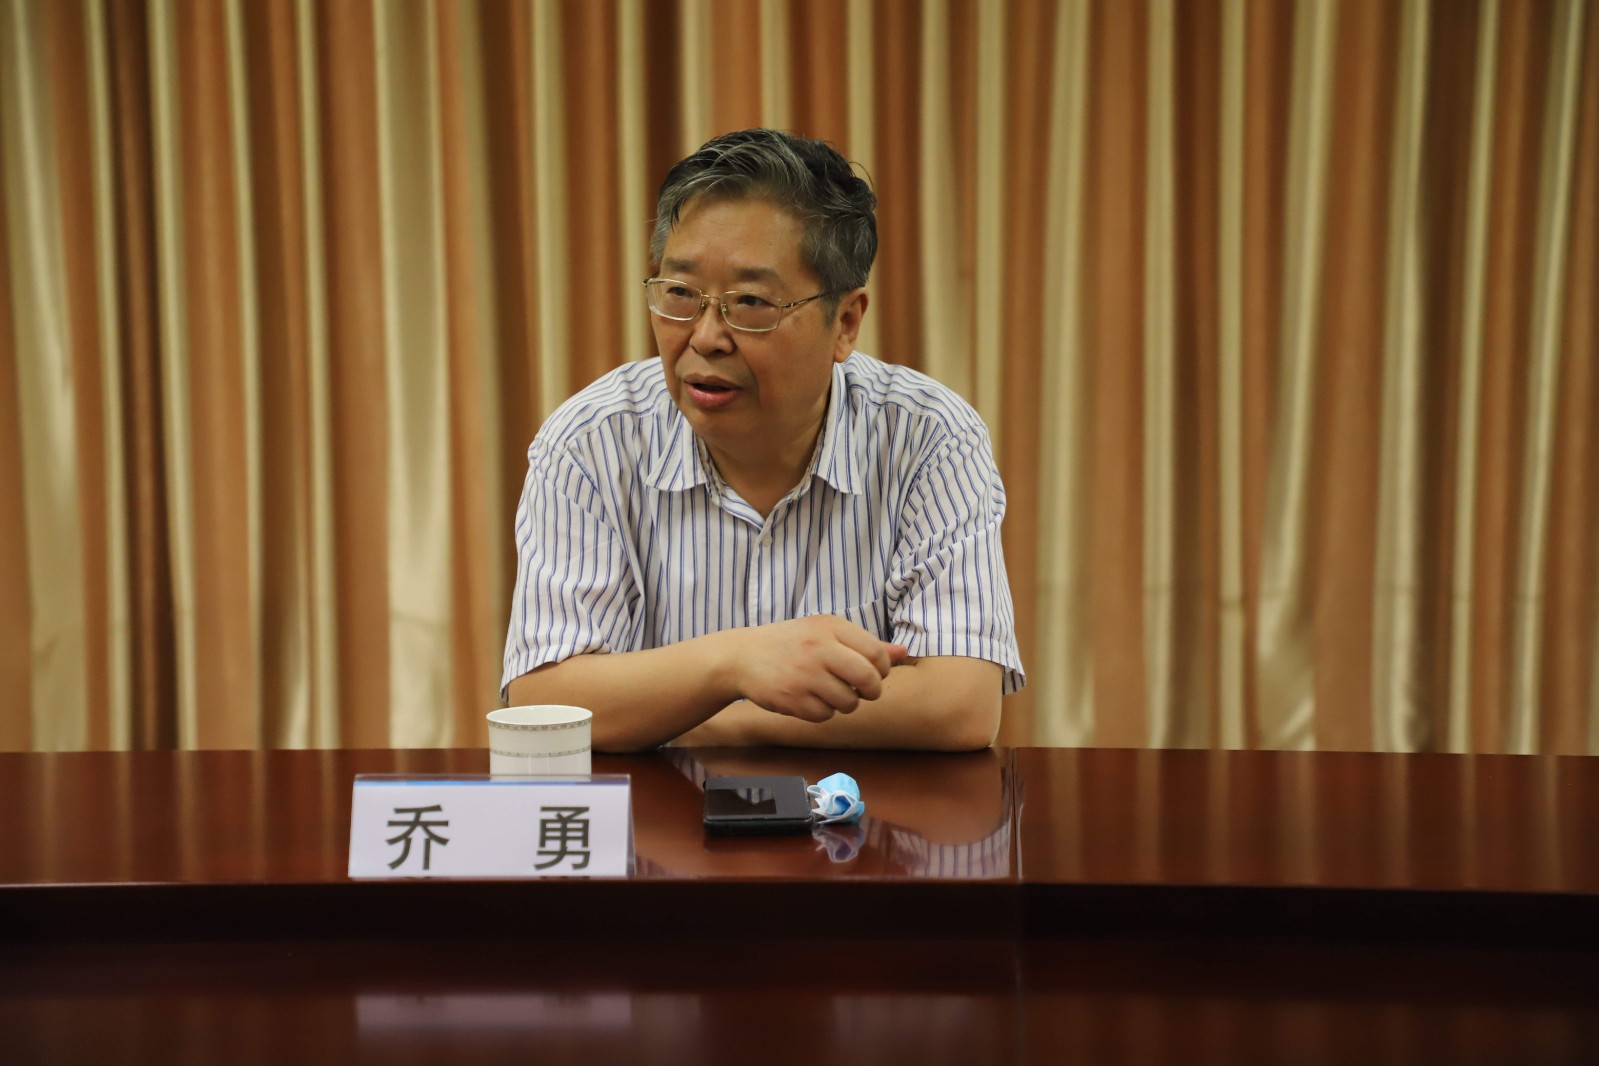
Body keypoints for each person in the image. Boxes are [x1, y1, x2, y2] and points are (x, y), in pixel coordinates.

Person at [501, 128, 1024, 752]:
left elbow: (959, 704)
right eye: (680, 295)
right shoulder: (591, 442)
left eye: (750, 302)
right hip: (660, 816)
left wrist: (706, 721)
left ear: (845, 322)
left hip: (863, 816)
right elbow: (542, 705)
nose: (705, 338)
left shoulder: (928, 437)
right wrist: (735, 662)